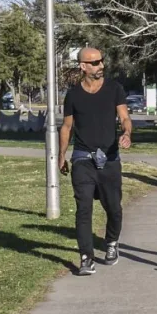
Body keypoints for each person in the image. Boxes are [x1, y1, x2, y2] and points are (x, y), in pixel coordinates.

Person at [59, 47, 132, 276]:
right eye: (95, 62)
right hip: (83, 159)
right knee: (83, 209)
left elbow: (124, 117)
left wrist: (127, 132)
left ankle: (111, 242)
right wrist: (61, 156)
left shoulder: (114, 89)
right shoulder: (73, 95)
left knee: (114, 208)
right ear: (83, 66)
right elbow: (67, 127)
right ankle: (86, 257)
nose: (101, 65)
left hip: (109, 158)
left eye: (101, 61)